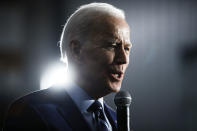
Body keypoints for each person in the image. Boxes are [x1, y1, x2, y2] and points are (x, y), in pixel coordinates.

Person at [3, 2, 132, 131]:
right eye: (112, 45)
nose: (123, 59)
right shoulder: (32, 112)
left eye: (127, 48)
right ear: (76, 50)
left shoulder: (117, 120)